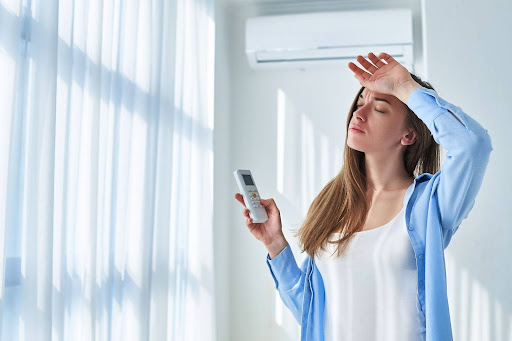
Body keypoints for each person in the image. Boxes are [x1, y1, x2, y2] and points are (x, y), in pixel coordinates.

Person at [234, 52, 493, 341]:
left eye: (379, 108)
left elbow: (473, 145)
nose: (359, 114)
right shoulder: (332, 203)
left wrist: (406, 87)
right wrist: (275, 244)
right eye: (360, 103)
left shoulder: (428, 202)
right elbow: (311, 312)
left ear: (409, 135)